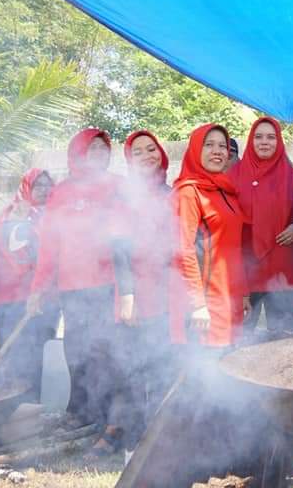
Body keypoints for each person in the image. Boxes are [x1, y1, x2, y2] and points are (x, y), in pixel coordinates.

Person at [28, 129, 124, 449]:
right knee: (76, 350)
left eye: (103, 147)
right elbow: (49, 245)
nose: (98, 152)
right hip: (71, 288)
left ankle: (110, 416)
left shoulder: (117, 187)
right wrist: (39, 287)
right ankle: (80, 410)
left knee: (106, 352)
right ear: (78, 152)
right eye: (91, 147)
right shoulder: (61, 192)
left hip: (109, 285)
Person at [111, 130, 176, 461]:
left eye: (152, 149)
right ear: (129, 160)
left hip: (169, 294)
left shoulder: (171, 193)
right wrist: (128, 295)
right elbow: (119, 248)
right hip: (137, 295)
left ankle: (161, 446)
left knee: (165, 369)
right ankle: (132, 449)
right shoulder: (123, 197)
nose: (148, 155)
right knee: (136, 372)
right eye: (139, 152)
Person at [0, 168, 59, 393]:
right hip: (9, 299)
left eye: (48, 185)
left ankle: (34, 403)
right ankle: (5, 402)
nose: (44, 190)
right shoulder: (9, 216)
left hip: (45, 301)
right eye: (38, 185)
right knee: (8, 354)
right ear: (27, 187)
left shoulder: (58, 216)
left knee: (40, 351)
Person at [171, 123, 249, 348]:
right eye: (209, 145)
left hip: (230, 298)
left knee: (228, 369)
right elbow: (183, 250)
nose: (217, 151)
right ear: (196, 150)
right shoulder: (188, 192)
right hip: (206, 303)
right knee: (205, 372)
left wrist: (243, 293)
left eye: (222, 146)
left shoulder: (227, 191)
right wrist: (197, 305)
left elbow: (235, 248)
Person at [230, 116, 293, 332]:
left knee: (283, 339)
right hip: (246, 273)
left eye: (270, 137)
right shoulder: (233, 177)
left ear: (279, 142)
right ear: (250, 140)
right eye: (258, 137)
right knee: (240, 338)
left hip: (285, 272)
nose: (264, 142)